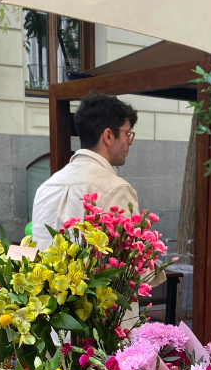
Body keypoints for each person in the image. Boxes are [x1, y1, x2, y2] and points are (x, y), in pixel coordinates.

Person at [31, 92, 138, 251]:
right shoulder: (116, 189)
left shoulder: (45, 187)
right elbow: (131, 264)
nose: (129, 142)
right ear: (108, 135)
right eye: (127, 134)